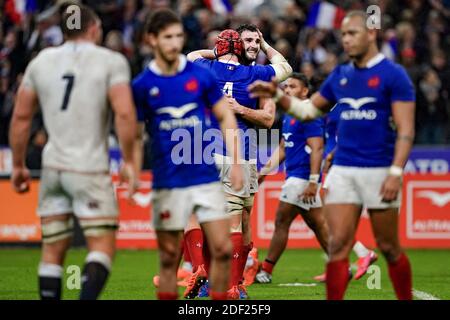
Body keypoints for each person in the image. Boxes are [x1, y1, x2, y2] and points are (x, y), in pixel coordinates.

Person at [248, 10, 415, 300]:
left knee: (388, 246)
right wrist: (276, 95)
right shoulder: (340, 75)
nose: (346, 40)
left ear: (371, 34)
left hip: (378, 170)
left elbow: (406, 130)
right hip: (342, 173)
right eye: (344, 34)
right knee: (337, 245)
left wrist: (396, 172)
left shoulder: (393, 75)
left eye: (352, 33)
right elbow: (306, 110)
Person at [9, 5, 138, 300]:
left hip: (53, 166)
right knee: (101, 245)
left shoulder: (41, 61)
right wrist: (130, 160)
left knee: (53, 248)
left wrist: (18, 165)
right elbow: (125, 114)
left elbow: (21, 117)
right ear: (93, 29)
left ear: (64, 30)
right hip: (88, 166)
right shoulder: (110, 61)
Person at [131, 9, 243, 300]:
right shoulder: (143, 84)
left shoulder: (201, 75)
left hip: (204, 174)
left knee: (221, 248)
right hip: (169, 179)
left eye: (179, 36)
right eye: (168, 37)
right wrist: (131, 167)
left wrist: (236, 161)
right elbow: (131, 129)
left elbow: (225, 117)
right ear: (151, 39)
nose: (174, 43)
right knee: (169, 258)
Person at [185, 27, 292, 299]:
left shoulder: (206, 68)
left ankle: (212, 275)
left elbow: (268, 119)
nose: (254, 45)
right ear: (240, 47)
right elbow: (285, 68)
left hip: (208, 151)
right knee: (230, 221)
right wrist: (263, 47)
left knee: (235, 219)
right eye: (248, 41)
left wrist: (222, 49)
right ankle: (224, 283)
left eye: (258, 41)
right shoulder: (256, 74)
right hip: (236, 155)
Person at [255, 73, 327, 284]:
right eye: (285, 87)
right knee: (318, 224)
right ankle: (340, 265)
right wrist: (264, 172)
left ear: (305, 91)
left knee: (281, 220)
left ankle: (266, 270)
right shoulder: (290, 114)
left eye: (293, 87)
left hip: (302, 178)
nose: (287, 90)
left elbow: (317, 148)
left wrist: (314, 181)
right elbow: (284, 147)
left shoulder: (309, 113)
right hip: (298, 176)